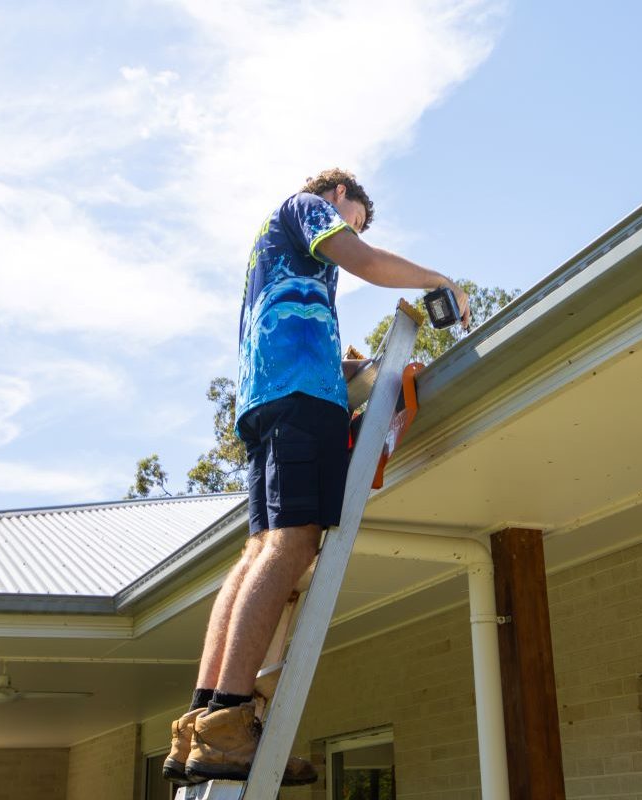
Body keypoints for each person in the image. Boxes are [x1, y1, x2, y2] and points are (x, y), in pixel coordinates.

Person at [163, 169, 470, 786]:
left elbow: (307, 320)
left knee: (256, 553)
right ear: (337, 197)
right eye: (353, 216)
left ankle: (201, 722)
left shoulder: (276, 262)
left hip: (269, 395)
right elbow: (361, 260)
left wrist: (361, 368)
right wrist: (439, 281)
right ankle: (228, 724)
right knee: (294, 543)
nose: (352, 228)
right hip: (299, 398)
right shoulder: (305, 207)